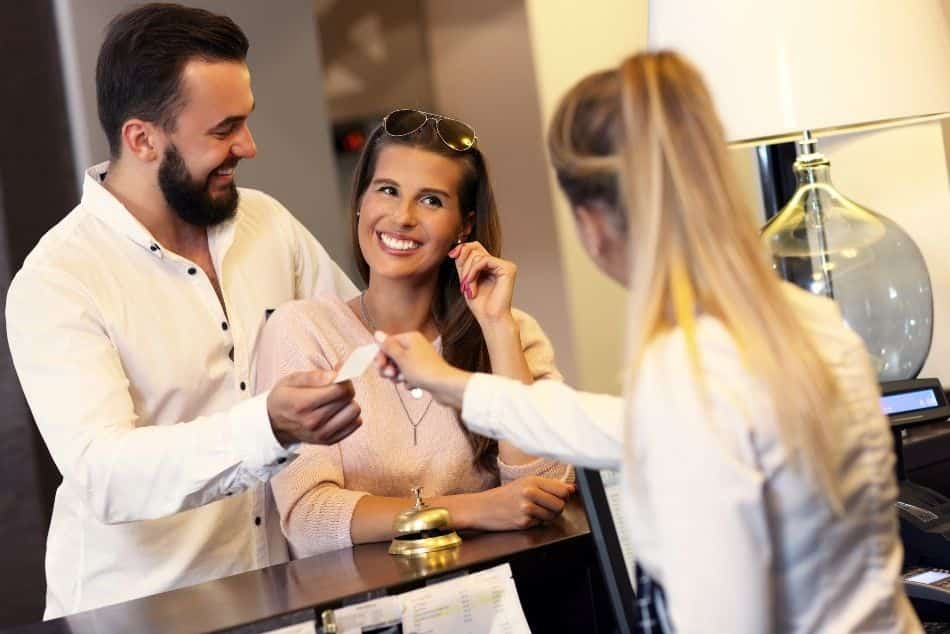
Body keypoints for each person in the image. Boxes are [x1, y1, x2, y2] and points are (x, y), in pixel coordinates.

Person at [372, 53, 921, 632]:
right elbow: (623, 425)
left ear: (591, 223)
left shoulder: (686, 367)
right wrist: (449, 381)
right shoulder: (810, 322)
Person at [6, 4, 362, 618]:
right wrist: (267, 428)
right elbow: (105, 474)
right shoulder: (58, 279)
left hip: (287, 601)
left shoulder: (268, 224)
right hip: (140, 616)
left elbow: (355, 339)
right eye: (224, 130)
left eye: (245, 122)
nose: (248, 147)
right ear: (142, 139)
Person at [254, 109, 574, 557]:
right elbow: (308, 517)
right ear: (361, 202)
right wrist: (472, 510)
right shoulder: (304, 331)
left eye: (431, 200)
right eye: (387, 190)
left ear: (463, 224)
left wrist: (498, 327)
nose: (402, 216)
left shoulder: (512, 330)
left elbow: (545, 488)